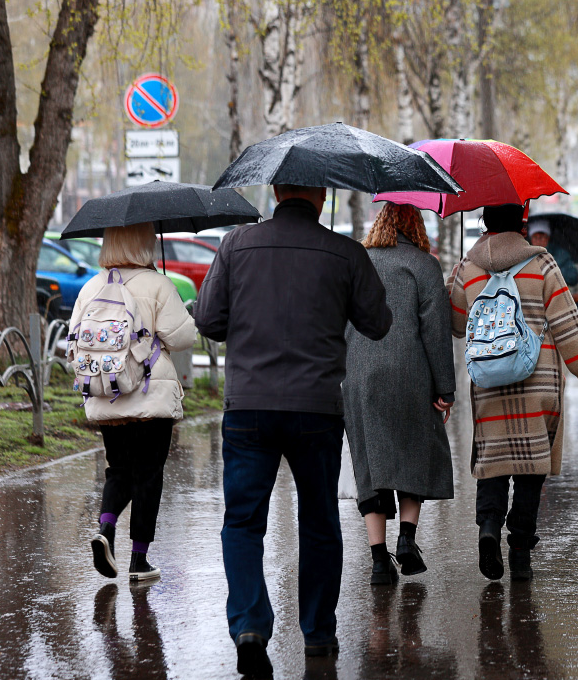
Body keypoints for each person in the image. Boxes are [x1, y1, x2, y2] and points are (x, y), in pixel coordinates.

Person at [194, 183, 392, 678]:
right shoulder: (345, 252)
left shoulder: (236, 244)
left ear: (276, 190)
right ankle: (318, 633)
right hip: (316, 409)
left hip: (249, 407)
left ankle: (249, 625)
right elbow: (378, 323)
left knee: (243, 521)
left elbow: (210, 321)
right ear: (322, 195)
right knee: (320, 521)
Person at [448, 203, 578, 581]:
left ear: (485, 223)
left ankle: (488, 528)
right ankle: (519, 550)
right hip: (538, 383)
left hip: (489, 383)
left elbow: (456, 324)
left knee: (493, 464)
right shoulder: (542, 263)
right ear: (522, 223)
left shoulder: (469, 267)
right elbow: (567, 323)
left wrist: (456, 279)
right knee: (532, 469)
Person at [342, 202, 455, 586]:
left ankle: (379, 561)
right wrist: (445, 389)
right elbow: (435, 332)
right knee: (412, 451)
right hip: (410, 373)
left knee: (370, 464)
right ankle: (406, 539)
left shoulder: (355, 262)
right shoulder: (424, 265)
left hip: (359, 374)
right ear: (416, 224)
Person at [79, 223, 196, 584]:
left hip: (107, 392)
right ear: (145, 243)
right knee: (147, 474)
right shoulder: (157, 284)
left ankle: (106, 528)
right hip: (151, 394)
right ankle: (139, 561)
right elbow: (184, 338)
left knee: (118, 470)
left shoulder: (91, 286)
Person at [527, 219, 578, 301]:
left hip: (558, 299)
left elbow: (573, 277)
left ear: (548, 238)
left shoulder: (561, 254)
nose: (538, 241)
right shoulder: (526, 256)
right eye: (535, 237)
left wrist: (552, 271)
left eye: (541, 237)